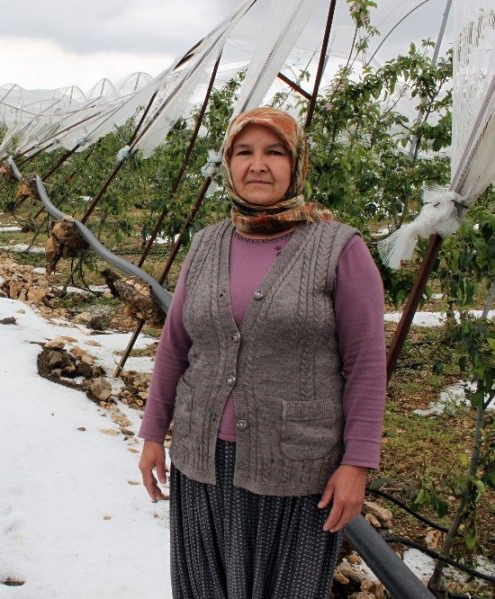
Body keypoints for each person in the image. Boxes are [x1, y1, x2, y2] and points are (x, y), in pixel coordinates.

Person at [138, 107, 386, 598]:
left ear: (296, 164)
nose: (258, 165)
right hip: (200, 461)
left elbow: (365, 365)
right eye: (244, 152)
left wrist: (357, 462)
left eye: (274, 152)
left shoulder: (339, 248)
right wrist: (152, 433)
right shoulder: (205, 245)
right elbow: (175, 347)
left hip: (295, 471)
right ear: (228, 163)